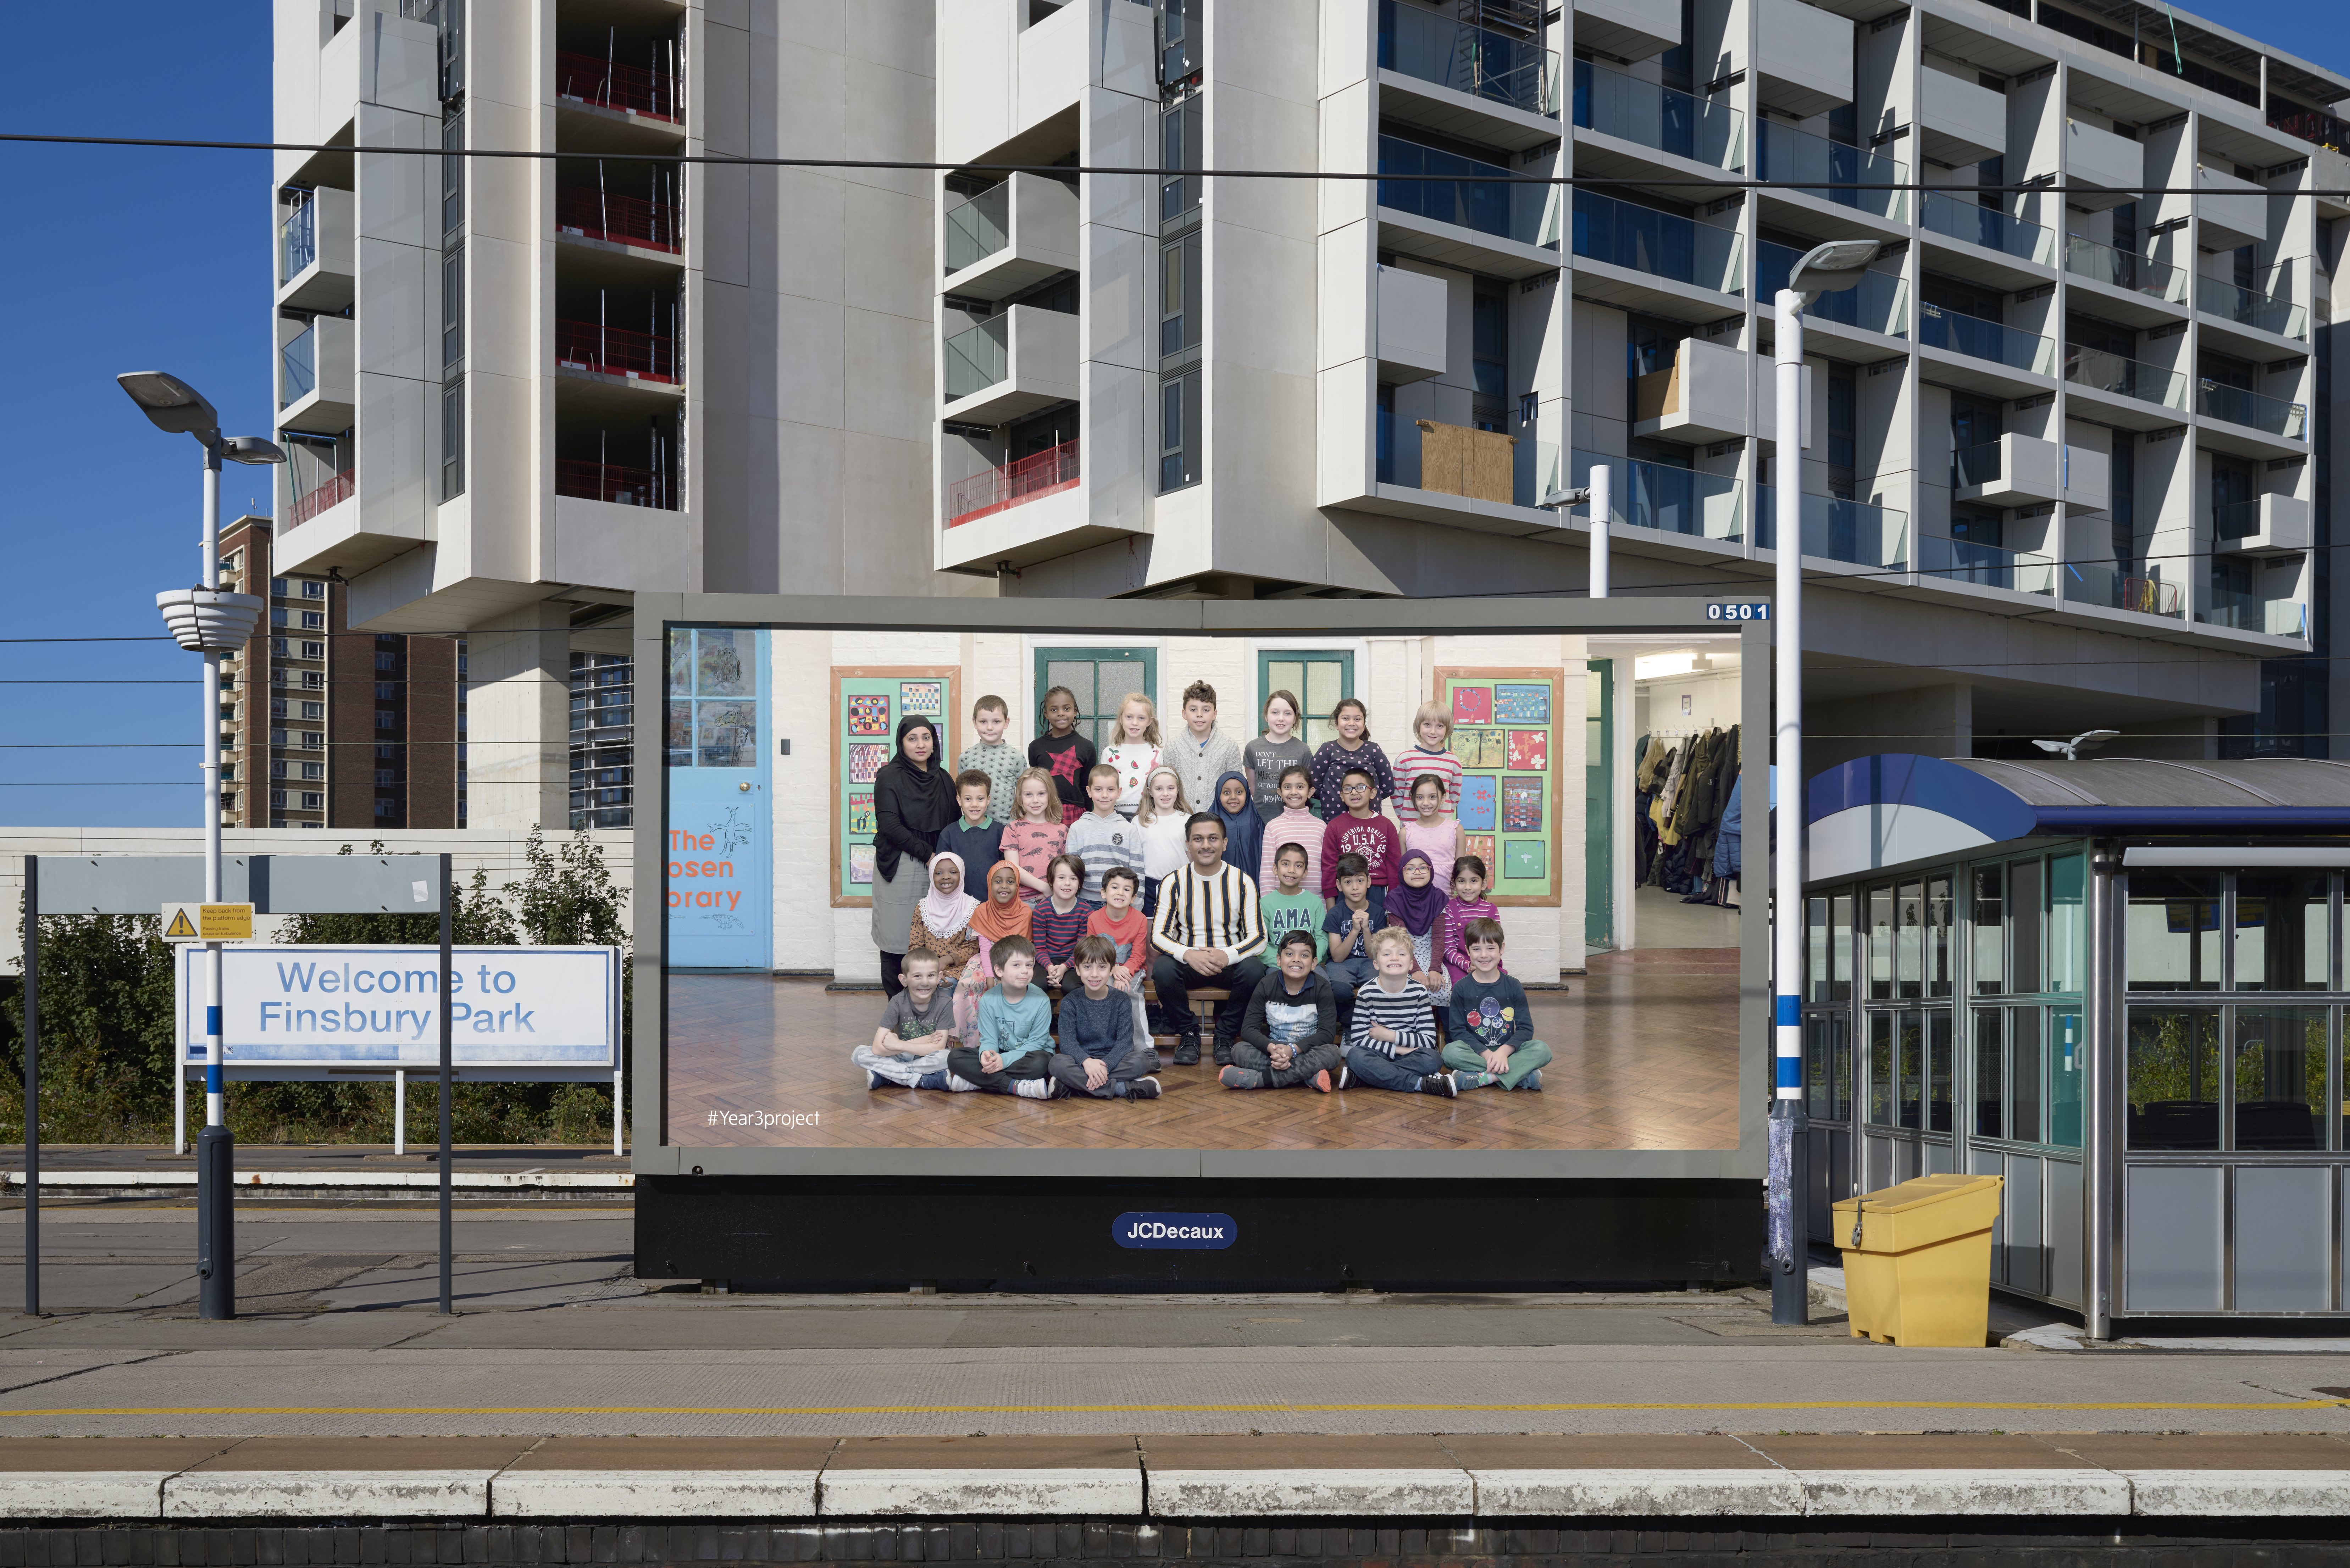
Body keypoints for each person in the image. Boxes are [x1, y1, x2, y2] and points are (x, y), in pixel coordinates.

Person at [1149, 811, 1269, 1067]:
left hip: (1229, 962)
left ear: (1225, 843)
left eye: (1213, 838)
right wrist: (1189, 954)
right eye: (1198, 839)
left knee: (1255, 970)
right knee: (1163, 969)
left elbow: (1259, 938)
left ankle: (1224, 1036)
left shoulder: (1242, 881)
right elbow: (1158, 936)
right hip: (1189, 963)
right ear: (1188, 845)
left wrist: (1228, 955)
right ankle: (1189, 1034)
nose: (1206, 845)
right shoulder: (1174, 882)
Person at [871, 713, 957, 996]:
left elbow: (953, 824)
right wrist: (929, 855)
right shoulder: (889, 777)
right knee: (897, 940)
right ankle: (898, 1009)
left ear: (934, 742)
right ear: (901, 743)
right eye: (912, 738)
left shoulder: (944, 779)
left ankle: (927, 1009)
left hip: (937, 867)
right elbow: (890, 826)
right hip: (902, 863)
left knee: (932, 939)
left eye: (926, 737)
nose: (920, 744)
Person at [1221, 929, 1342, 1092]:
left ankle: (1259, 1079)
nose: (1296, 960)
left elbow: (1327, 1034)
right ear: (1279, 959)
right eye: (1290, 954)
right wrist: (1272, 1048)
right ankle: (1308, 1076)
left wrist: (1293, 1050)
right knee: (1239, 1050)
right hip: (1275, 1051)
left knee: (1333, 1053)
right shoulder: (1266, 985)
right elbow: (1249, 1029)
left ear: (1314, 963)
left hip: (1305, 1050)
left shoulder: (1322, 987)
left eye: (1304, 956)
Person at [1342, 927, 1454, 1096]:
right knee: (1355, 1056)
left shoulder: (1419, 992)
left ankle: (1366, 1078)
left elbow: (1428, 1040)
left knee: (1434, 1059)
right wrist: (1398, 1050)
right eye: (1387, 954)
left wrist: (1390, 1036)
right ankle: (1420, 1084)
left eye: (1401, 954)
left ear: (1411, 964)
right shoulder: (1367, 992)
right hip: (1380, 1054)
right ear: (1376, 964)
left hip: (1411, 1055)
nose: (1394, 958)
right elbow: (1359, 1040)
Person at [1442, 918, 1551, 1091]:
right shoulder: (1461, 988)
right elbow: (1457, 1031)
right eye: (1477, 949)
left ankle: (1486, 1078)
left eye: (1491, 948)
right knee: (1450, 1053)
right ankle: (1520, 1075)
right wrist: (1487, 1055)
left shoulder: (1513, 985)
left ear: (1502, 949)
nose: (1484, 955)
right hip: (1476, 1052)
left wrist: (1503, 1053)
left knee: (1542, 1049)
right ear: (1468, 952)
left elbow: (1525, 1029)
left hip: (1508, 1051)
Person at [1050, 936, 1162, 1101]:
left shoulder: (1121, 1000)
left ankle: (1073, 1086)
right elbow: (1068, 1044)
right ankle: (1122, 1088)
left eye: (1102, 967)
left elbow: (1125, 1043)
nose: (1094, 974)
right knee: (1056, 1063)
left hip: (1114, 1060)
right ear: (1078, 969)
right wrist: (1087, 1062)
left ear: (1111, 970)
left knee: (1141, 1061)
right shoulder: (1070, 1002)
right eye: (1088, 967)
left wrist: (1105, 1067)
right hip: (1081, 1061)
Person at [947, 937, 1058, 1098]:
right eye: (1017, 965)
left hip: (1030, 1055)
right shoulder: (988, 999)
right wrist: (986, 1054)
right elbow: (989, 1040)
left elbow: (1037, 1044)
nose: (1025, 971)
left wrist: (1004, 1061)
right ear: (999, 971)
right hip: (1000, 1052)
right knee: (955, 1057)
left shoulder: (1041, 1000)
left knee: (1042, 1064)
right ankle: (1016, 1086)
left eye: (1029, 965)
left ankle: (979, 1081)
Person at [851, 949, 958, 1090]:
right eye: (917, 976)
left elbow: (938, 1047)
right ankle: (922, 1079)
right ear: (904, 980)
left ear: (939, 978)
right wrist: (916, 1043)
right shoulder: (897, 1002)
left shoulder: (945, 1003)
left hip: (927, 1056)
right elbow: (877, 1048)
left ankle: (886, 1076)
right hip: (900, 1055)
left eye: (931, 976)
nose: (925, 982)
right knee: (859, 1054)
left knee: (946, 1058)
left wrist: (900, 1045)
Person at [952, 860, 1035, 1040]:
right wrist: (990, 980)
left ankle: (1008, 1041)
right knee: (971, 983)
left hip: (1015, 962)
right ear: (990, 884)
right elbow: (985, 949)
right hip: (987, 961)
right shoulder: (983, 911)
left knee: (1011, 985)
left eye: (1010, 882)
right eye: (998, 881)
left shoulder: (1025, 912)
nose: (1004, 886)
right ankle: (972, 1041)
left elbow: (1021, 951)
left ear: (1018, 885)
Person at [1084, 865, 1155, 1046]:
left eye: (1127, 889)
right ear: (1103, 893)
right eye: (1115, 887)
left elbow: (1138, 956)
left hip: (1132, 970)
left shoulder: (1139, 919)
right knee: (1101, 989)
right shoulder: (1094, 919)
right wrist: (1113, 969)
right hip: (1103, 970)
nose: (1120, 893)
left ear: (1134, 898)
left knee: (1129, 992)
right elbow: (1093, 953)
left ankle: (1144, 1047)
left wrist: (1124, 972)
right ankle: (1105, 1044)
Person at [1064, 762, 1144, 901]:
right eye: (1099, 789)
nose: (1105, 795)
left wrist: (1137, 904)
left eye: (1111, 790)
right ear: (1089, 791)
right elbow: (1070, 869)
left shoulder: (1129, 829)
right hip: (1085, 902)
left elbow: (1137, 870)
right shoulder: (1077, 828)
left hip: (1120, 902)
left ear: (1119, 792)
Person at [1385, 848, 1452, 1009]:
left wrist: (1435, 969)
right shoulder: (1394, 899)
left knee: (1443, 989)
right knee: (1407, 991)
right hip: (1402, 955)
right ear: (1402, 872)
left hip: (1432, 955)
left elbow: (1438, 938)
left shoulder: (1438, 897)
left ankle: (1447, 1033)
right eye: (1410, 868)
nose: (1417, 872)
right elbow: (1400, 942)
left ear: (1431, 871)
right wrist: (1414, 971)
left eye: (1423, 867)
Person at [1320, 767, 1401, 897]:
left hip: (1378, 891)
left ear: (1373, 793)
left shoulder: (1387, 826)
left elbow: (1395, 866)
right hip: (1346, 890)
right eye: (1348, 788)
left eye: (1361, 787)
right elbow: (1329, 867)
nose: (1354, 792)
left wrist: (1394, 903)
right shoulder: (1334, 826)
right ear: (1342, 796)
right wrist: (1331, 903)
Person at [1309, 696, 1394, 820]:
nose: (1352, 723)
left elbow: (1388, 787)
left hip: (1369, 822)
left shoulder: (1373, 750)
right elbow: (1313, 787)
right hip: (1335, 820)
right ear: (1337, 724)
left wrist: (1366, 799)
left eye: (1357, 719)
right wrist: (1331, 797)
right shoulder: (1327, 750)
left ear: (1364, 725)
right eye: (1346, 718)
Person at [1169, 680, 1244, 815]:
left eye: (1206, 710)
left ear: (1214, 714)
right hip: (1181, 819)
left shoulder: (1229, 746)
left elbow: (1236, 788)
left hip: (1219, 820)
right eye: (1193, 710)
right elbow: (1168, 788)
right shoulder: (1173, 747)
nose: (1199, 714)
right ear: (1184, 714)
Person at [1320, 852, 1385, 1003]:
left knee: (1376, 988)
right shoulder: (1335, 914)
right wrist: (1355, 930)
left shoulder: (1378, 912)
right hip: (1341, 966)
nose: (1355, 887)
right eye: (1348, 882)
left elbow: (1373, 956)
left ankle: (1370, 1023)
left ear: (1368, 881)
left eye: (1360, 881)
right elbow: (1337, 957)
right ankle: (1349, 1026)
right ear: (1339, 886)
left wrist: (1366, 929)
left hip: (1369, 963)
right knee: (1340, 991)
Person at [904, 850, 977, 983]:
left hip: (960, 966)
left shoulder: (972, 908)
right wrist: (931, 969)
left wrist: (946, 960)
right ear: (932, 877)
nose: (946, 877)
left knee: (946, 984)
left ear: (962, 875)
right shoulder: (923, 907)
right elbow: (916, 945)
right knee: (921, 984)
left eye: (953, 872)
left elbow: (973, 948)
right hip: (927, 966)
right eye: (939, 873)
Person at [1028, 684, 1096, 826]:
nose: (1061, 713)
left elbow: (1087, 786)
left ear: (1075, 711)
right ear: (1046, 714)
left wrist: (1089, 815)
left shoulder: (1087, 747)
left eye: (1067, 709)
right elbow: (1035, 785)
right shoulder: (1036, 747)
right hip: (1045, 811)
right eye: (1054, 710)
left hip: (1077, 813)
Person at [1029, 854, 1097, 991]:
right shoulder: (1041, 911)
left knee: (1072, 986)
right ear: (1051, 881)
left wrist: (1064, 967)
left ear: (1080, 884)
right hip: (1045, 961)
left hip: (1074, 961)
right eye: (1061, 878)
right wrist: (1050, 968)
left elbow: (1081, 950)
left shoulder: (1086, 912)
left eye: (1073, 879)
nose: (1067, 883)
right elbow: (1040, 948)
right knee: (1037, 984)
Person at [1242, 689, 1312, 821]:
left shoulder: (1303, 750)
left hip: (1294, 820)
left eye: (1287, 713)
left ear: (1295, 718)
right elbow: (1254, 789)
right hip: (1259, 820)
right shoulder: (1253, 748)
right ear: (1267, 716)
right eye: (1275, 713)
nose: (1281, 718)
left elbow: (1306, 787)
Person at [1000, 767, 1067, 902]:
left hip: (1054, 899)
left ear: (1050, 795)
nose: (1035, 800)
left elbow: (1064, 869)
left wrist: (1053, 891)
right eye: (1029, 795)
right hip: (1020, 901)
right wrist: (1045, 888)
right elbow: (1012, 867)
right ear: (1020, 797)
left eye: (1041, 794)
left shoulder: (1062, 830)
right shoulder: (1012, 829)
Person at [957, 694, 1024, 826]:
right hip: (974, 826)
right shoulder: (965, 757)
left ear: (1007, 723)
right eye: (983, 722)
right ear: (974, 723)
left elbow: (1023, 793)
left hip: (1008, 827)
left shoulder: (1016, 757)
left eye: (996, 722)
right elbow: (962, 793)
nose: (990, 728)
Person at [1135, 764, 1192, 918]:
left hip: (1181, 885)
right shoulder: (1139, 822)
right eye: (1159, 789)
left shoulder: (1187, 820)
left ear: (1178, 790)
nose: (1165, 794)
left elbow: (1192, 856)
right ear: (1150, 792)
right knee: (1151, 932)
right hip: (1149, 886)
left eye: (1171, 788)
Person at [1258, 763, 1323, 896]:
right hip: (1281, 904)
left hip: (1316, 903)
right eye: (1288, 787)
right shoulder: (1273, 827)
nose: (1294, 792)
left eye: (1300, 787)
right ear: (1280, 793)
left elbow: (1327, 869)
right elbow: (1267, 873)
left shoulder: (1322, 827)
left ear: (1310, 792)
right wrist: (1267, 905)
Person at [1441, 855, 1504, 988]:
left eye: (1474, 881)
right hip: (1458, 965)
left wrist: (1484, 963)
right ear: (1454, 884)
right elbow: (1448, 949)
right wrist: (1467, 965)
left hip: (1488, 962)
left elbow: (1496, 945)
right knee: (1462, 988)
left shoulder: (1491, 910)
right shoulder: (1448, 909)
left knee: (1500, 986)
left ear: (1484, 884)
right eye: (1462, 881)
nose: (1468, 887)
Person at [1258, 841, 1326, 964]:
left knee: (1323, 983)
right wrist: (1281, 962)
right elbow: (1261, 943)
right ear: (1275, 868)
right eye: (1285, 864)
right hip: (1277, 964)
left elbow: (1322, 938)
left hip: (1308, 964)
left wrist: (1311, 960)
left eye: (1299, 866)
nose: (1292, 870)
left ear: (1305, 872)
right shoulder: (1265, 903)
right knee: (1271, 983)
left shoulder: (1315, 902)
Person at [1393, 700, 1463, 815]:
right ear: (1419, 725)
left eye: (1440, 726)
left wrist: (1444, 818)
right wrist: (1406, 818)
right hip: (1412, 827)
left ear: (1447, 729)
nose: (1433, 731)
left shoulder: (1453, 762)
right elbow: (1397, 794)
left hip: (1442, 829)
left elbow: (1455, 797)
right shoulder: (1404, 760)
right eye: (1427, 725)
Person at [1400, 773, 1463, 896]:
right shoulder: (1406, 832)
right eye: (1420, 798)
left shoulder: (1456, 830)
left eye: (1432, 797)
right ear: (1412, 798)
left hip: (1447, 899)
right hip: (1415, 899)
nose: (1426, 803)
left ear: (1443, 798)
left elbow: (1461, 871)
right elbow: (1404, 871)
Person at [1101, 693, 1164, 817]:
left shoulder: (1156, 752)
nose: (1135, 723)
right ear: (1121, 719)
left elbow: (1160, 786)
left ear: (1149, 722)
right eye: (1129, 717)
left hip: (1148, 814)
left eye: (1141, 718)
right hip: (1116, 815)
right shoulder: (1109, 753)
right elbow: (1104, 787)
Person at [934, 771, 1004, 872]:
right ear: (959, 800)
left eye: (980, 799)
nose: (974, 804)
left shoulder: (1001, 832)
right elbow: (941, 872)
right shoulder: (948, 834)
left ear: (988, 800)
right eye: (968, 799)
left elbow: (1008, 871)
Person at [1210, 770, 1264, 885]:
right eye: (1226, 793)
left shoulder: (1255, 821)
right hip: (1218, 885)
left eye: (1239, 792)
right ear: (1218, 795)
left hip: (1250, 884)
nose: (1233, 797)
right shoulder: (1210, 822)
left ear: (1247, 794)